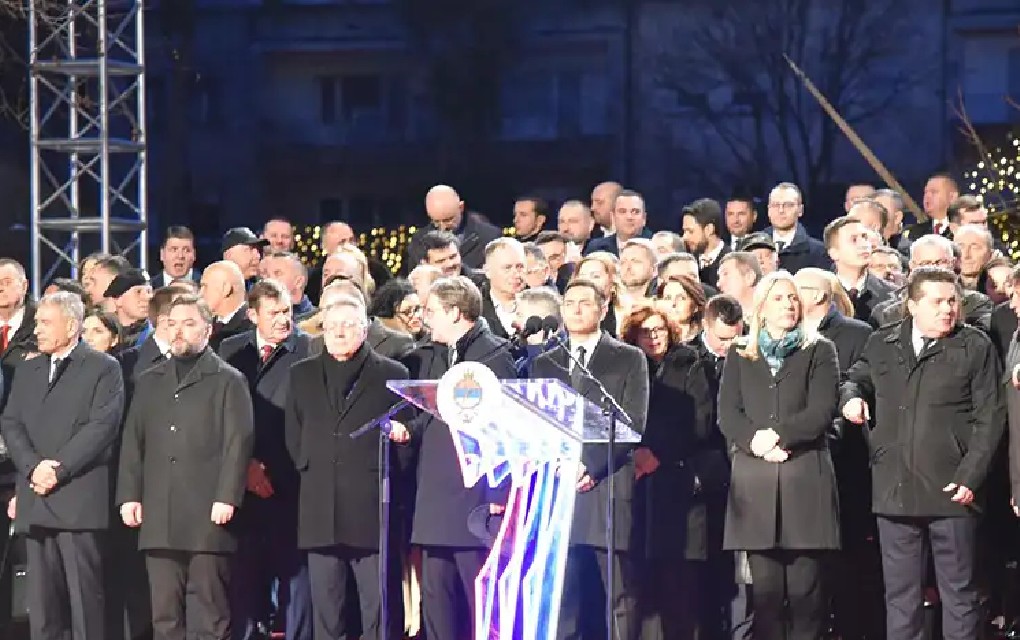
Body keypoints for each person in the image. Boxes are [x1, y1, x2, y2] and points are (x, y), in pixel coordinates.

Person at [842, 266, 1005, 640]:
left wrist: (970, 477)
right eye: (938, 302)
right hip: (894, 489)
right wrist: (851, 399)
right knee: (901, 597)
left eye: (953, 301)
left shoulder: (975, 345)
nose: (948, 309)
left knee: (960, 595)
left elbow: (990, 418)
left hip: (953, 491)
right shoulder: (882, 343)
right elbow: (855, 378)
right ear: (912, 305)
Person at [116, 294, 254, 640]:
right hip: (159, 515)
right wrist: (129, 496)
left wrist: (227, 497)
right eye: (172, 324)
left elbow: (238, 442)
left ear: (207, 330)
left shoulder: (228, 380)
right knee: (164, 616)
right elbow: (134, 442)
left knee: (210, 613)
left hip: (208, 515)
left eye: (189, 324)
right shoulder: (148, 380)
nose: (179, 331)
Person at [719, 271, 840, 640]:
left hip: (805, 481)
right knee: (766, 599)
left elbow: (822, 410)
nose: (788, 304)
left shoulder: (820, 350)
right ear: (761, 307)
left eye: (793, 298)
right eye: (779, 298)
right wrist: (754, 442)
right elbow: (728, 412)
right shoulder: (740, 353)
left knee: (807, 596)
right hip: (754, 486)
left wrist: (779, 437)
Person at [1, 291, 126, 640]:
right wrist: (31, 467)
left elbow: (102, 427)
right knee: (42, 607)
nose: (36, 329)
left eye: (45, 322)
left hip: (77, 501)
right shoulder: (28, 369)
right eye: (37, 321)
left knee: (85, 601)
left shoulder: (103, 368)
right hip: (35, 498)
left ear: (71, 326)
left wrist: (58, 469)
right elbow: (11, 423)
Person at [286, 295, 412, 640]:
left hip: (370, 508)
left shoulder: (392, 374)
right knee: (327, 610)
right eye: (332, 324)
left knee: (378, 608)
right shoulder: (301, 375)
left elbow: (405, 444)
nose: (339, 331)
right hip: (319, 508)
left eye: (348, 324)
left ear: (365, 329)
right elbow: (294, 436)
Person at [530, 278, 650, 640]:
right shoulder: (545, 362)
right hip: (560, 490)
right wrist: (561, 463)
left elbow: (631, 421)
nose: (577, 309)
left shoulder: (629, 358)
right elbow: (538, 421)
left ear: (602, 309)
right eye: (569, 303)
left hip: (607, 486)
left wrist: (590, 464)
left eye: (585, 302)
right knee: (565, 595)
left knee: (618, 592)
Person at [403, 275, 517, 640]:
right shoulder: (430, 356)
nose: (425, 318)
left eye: (432, 311)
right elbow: (431, 416)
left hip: (476, 500)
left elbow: (507, 429)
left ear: (454, 312)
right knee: (437, 599)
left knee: (477, 601)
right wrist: (408, 429)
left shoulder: (496, 356)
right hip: (436, 498)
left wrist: (501, 495)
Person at [218, 279, 313, 640]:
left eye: (287, 311)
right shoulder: (230, 351)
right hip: (242, 484)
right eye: (273, 313)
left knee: (296, 582)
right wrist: (245, 465)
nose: (282, 319)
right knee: (245, 582)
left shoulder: (308, 350)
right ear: (252, 314)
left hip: (291, 485)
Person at [620, 303, 718, 640]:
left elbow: (701, 421)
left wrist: (657, 452)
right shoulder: (629, 366)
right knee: (641, 585)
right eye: (645, 331)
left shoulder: (691, 363)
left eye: (659, 330)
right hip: (636, 484)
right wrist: (638, 452)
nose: (653, 337)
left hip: (677, 482)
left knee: (679, 585)